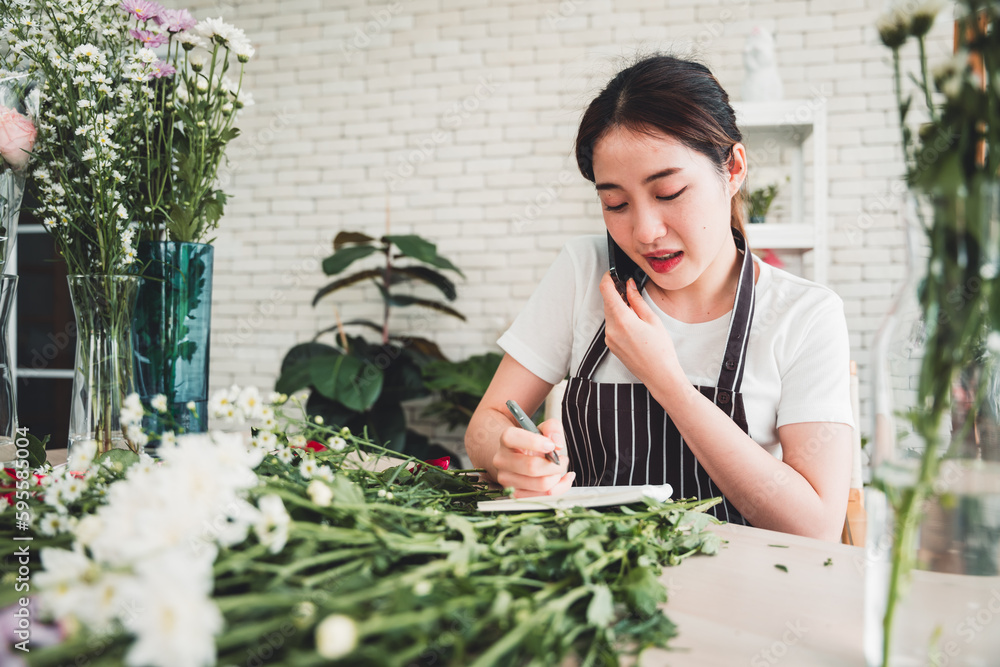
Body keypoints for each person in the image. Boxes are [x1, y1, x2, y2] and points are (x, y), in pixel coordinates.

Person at [465, 54, 854, 541]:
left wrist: (666, 381)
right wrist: (507, 452)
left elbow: (816, 526)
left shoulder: (805, 314)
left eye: (669, 192)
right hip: (596, 582)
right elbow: (486, 423)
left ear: (732, 168)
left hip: (745, 594)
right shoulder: (584, 271)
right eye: (616, 203)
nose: (645, 231)